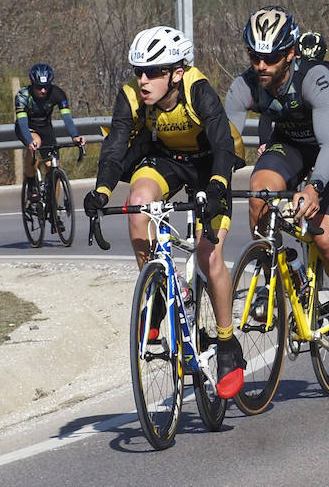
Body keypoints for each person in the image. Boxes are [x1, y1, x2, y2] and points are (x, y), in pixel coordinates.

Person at [81, 27, 247, 398]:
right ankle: (156, 295)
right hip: (166, 160)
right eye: (139, 71)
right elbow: (114, 147)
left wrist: (219, 186)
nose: (143, 80)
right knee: (138, 206)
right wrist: (101, 191)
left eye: (153, 72)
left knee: (209, 255)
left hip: (209, 164)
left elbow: (222, 143)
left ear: (175, 72)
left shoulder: (196, 88)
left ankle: (226, 345)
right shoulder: (132, 96)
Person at [223, 6, 329, 358]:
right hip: (291, 144)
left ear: (290, 53)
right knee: (259, 196)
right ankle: (280, 265)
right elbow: (225, 145)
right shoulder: (244, 87)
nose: (261, 66)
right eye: (254, 57)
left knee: (326, 237)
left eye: (270, 58)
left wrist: (314, 187)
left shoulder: (315, 79)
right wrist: (213, 181)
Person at [15, 62, 87, 214]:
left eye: (46, 87)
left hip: (46, 128)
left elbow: (67, 118)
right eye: (39, 87)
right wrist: (29, 141)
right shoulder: (23, 95)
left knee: (52, 166)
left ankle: (52, 208)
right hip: (27, 127)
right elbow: (21, 122)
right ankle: (31, 183)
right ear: (32, 84)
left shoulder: (57, 93)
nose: (43, 90)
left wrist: (75, 136)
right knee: (36, 143)